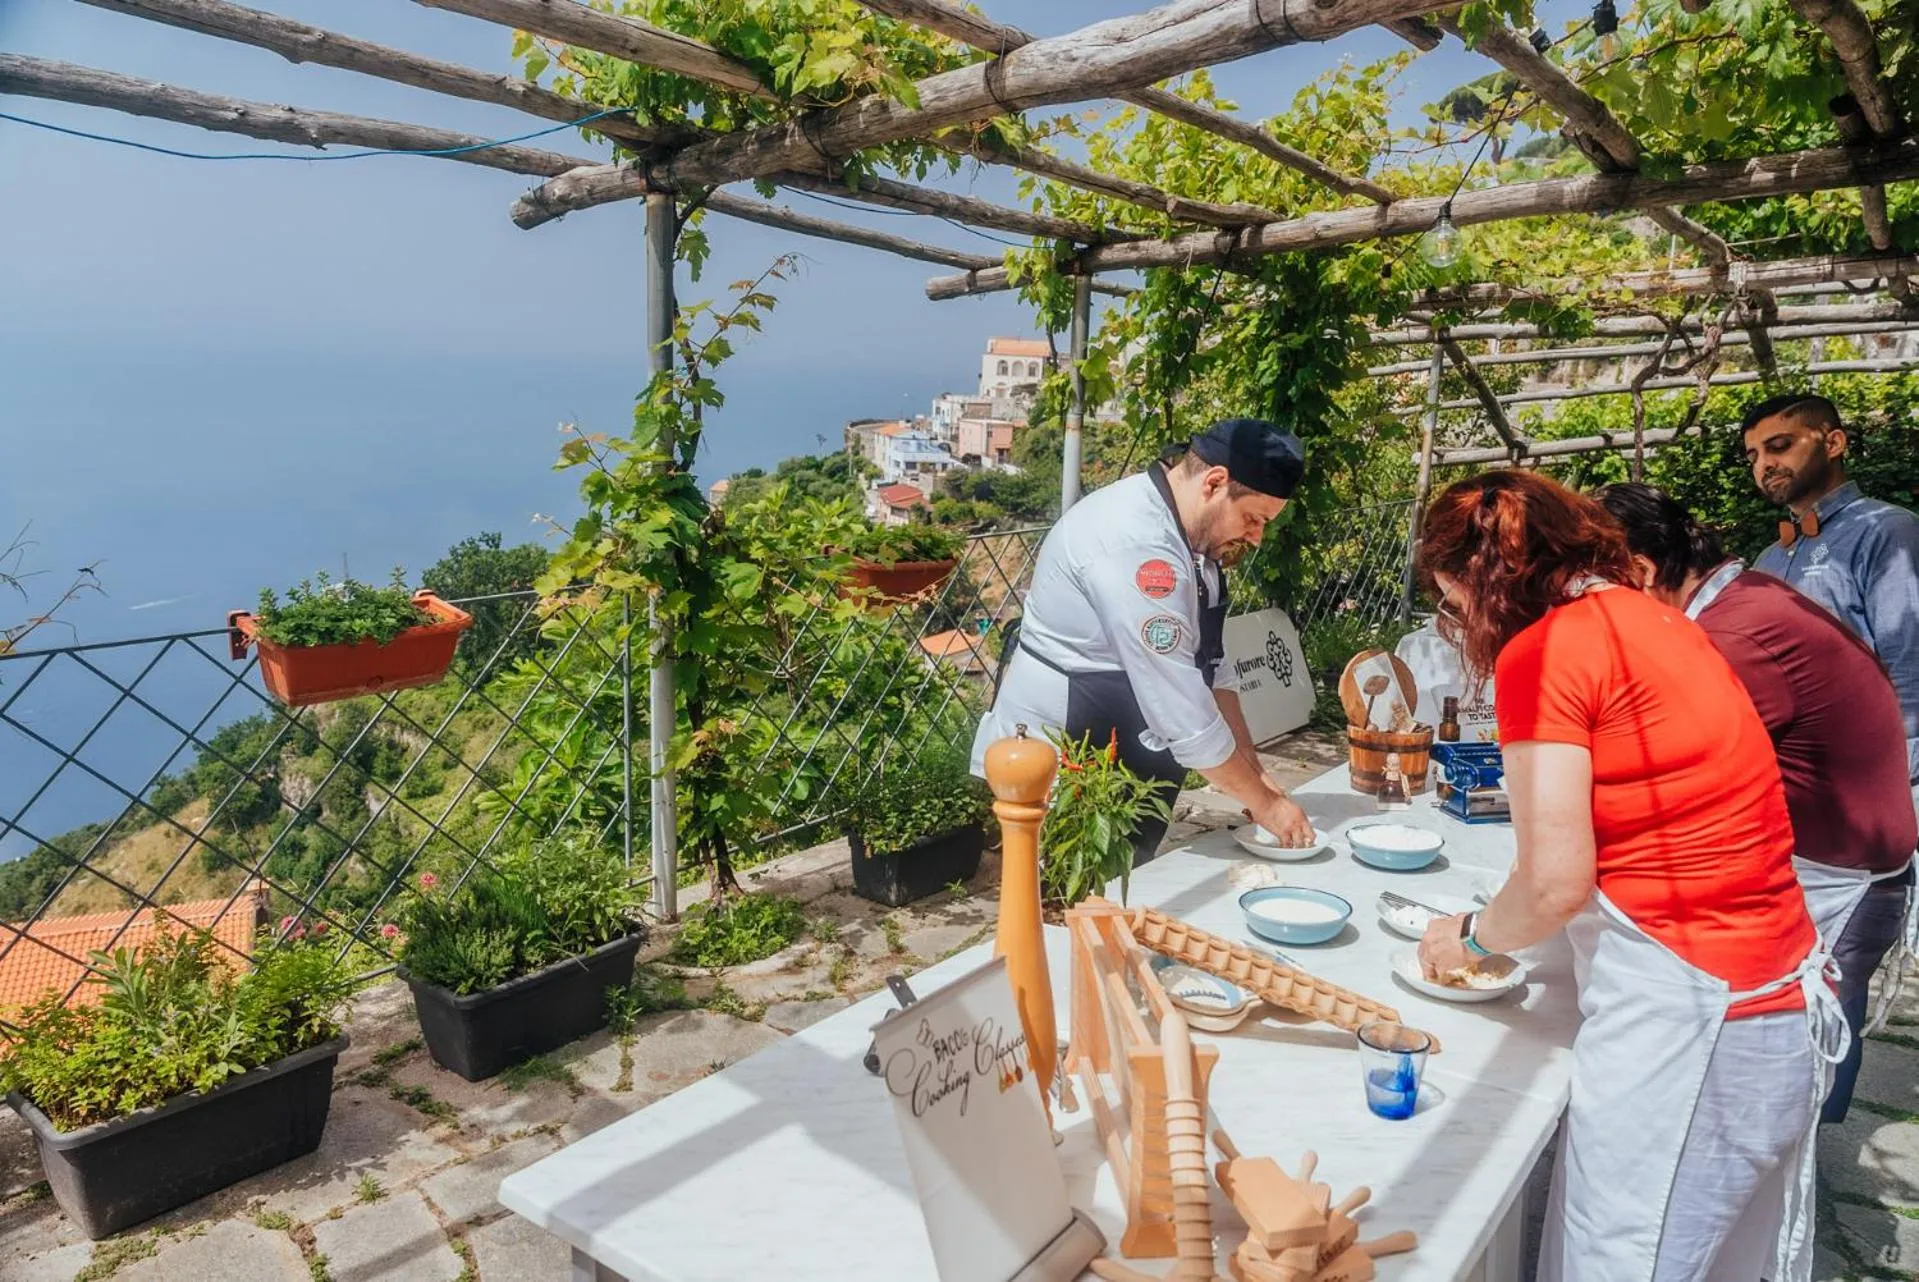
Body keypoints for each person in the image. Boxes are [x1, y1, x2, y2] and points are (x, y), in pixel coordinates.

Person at [1412, 471, 1844, 1282]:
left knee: (1622, 1256)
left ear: (1485, 583)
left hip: (1692, 1017)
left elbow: (1552, 883)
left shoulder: (1545, 651)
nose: (1459, 624)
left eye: (1453, 603)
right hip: (1770, 990)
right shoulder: (1656, 619)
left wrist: (1465, 938)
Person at [1598, 482, 1916, 1124]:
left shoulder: (1733, 636)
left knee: (1789, 1071)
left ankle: (1793, 1159)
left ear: (1642, 572)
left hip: (1838, 880)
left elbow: (1663, 781)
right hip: (1835, 856)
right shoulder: (1748, 599)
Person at [971, 418, 1313, 861]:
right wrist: (1267, 806)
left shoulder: (1192, 538)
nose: (1257, 537)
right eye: (1252, 518)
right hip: (1065, 752)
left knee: (1131, 882)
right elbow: (1183, 712)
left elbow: (1214, 665)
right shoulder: (1137, 544)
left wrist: (1256, 775)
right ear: (1214, 483)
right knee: (1066, 887)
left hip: (1125, 745)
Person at [1744, 392, 1919, 820]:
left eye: (1779, 446)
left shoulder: (1886, 530)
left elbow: (1909, 660)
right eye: (1753, 456)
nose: (1764, 464)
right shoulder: (1769, 559)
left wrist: (1899, 778)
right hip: (1808, 788)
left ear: (1834, 443)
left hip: (1887, 783)